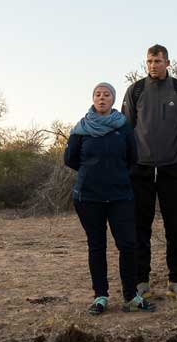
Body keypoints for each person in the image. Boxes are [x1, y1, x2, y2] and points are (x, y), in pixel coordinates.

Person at [64, 82, 157, 316]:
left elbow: (132, 156)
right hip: (89, 197)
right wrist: (93, 172)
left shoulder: (123, 126)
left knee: (127, 245)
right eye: (98, 94)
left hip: (120, 196)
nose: (102, 98)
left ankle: (131, 297)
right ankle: (100, 297)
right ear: (92, 98)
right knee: (97, 246)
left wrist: (113, 174)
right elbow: (70, 159)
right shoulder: (81, 128)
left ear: (113, 99)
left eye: (106, 95)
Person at [121, 44, 177, 301]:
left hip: (173, 169)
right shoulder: (136, 90)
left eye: (158, 61)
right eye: (149, 61)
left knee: (176, 226)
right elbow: (126, 129)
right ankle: (140, 279)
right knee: (138, 227)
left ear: (168, 62)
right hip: (140, 170)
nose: (153, 65)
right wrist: (130, 164)